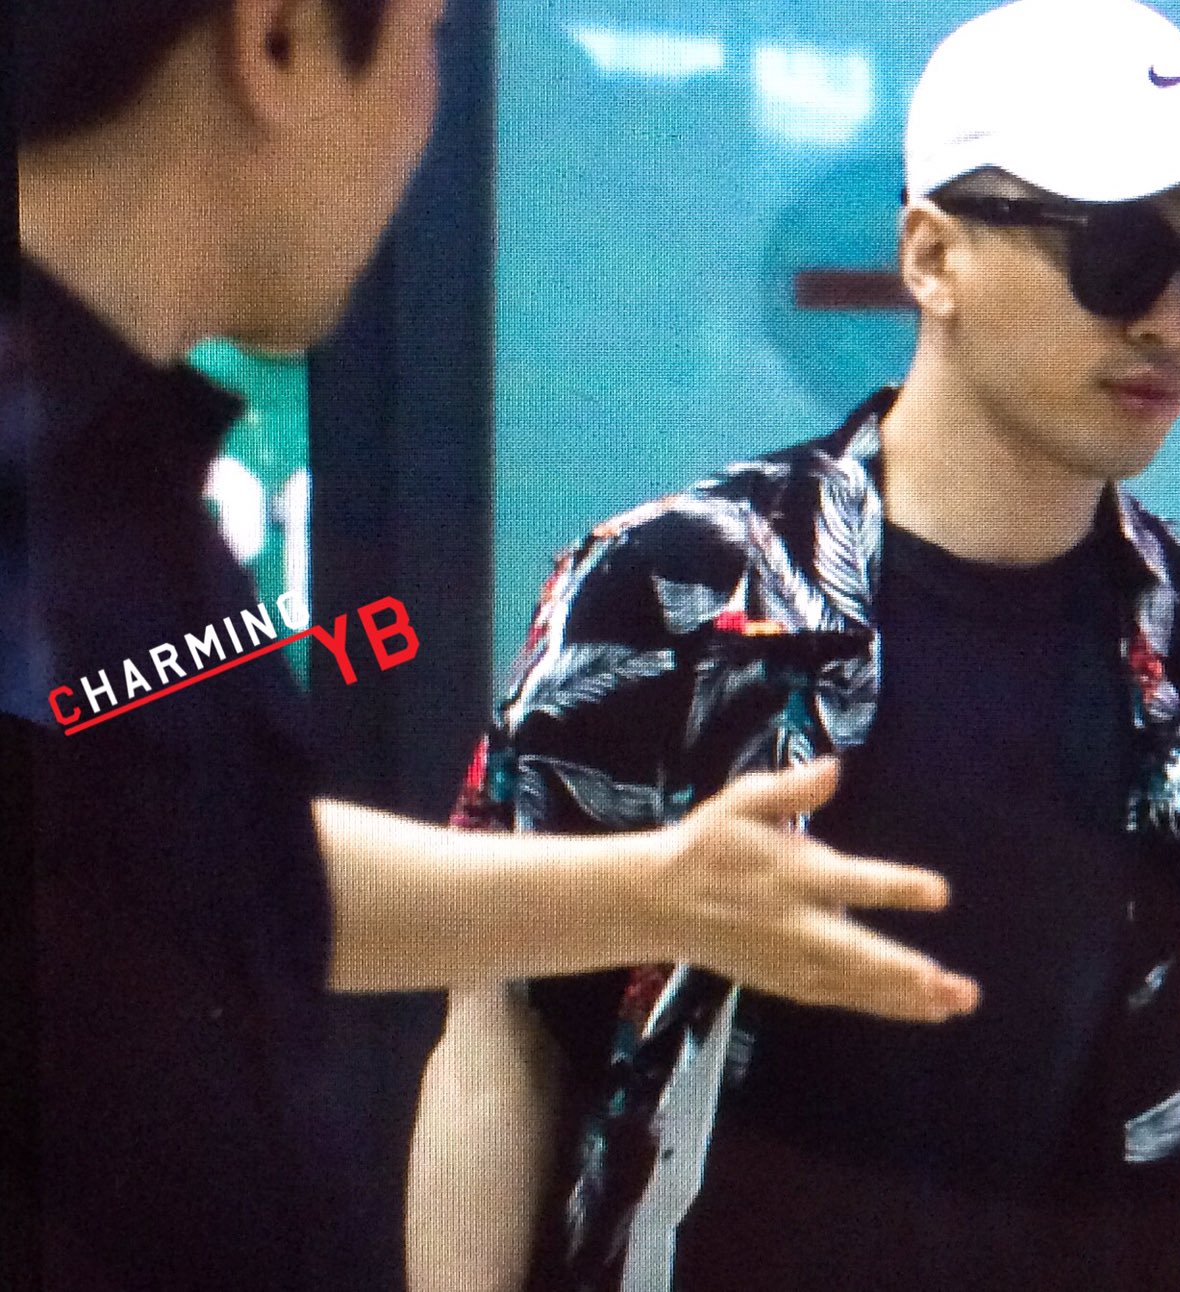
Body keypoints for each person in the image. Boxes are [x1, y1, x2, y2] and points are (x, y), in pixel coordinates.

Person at [2, 3, 978, 1289]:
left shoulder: (121, 481)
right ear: (279, 42)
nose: (428, 116)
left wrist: (656, 888)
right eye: (427, 41)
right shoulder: (53, 502)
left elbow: (193, 853)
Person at [410, 1, 1180, 1289]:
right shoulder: (675, 599)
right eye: (1120, 255)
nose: (1173, 322)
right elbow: (503, 1032)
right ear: (931, 257)